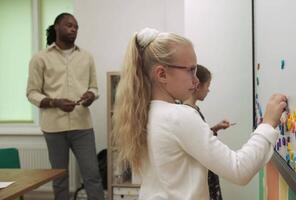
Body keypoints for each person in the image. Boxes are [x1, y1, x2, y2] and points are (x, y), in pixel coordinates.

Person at [112, 27, 287, 200]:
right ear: (162, 74)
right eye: (190, 70)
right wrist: (268, 124)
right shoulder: (179, 116)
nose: (196, 80)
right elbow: (239, 170)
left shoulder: (144, 112)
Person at [26, 13, 105, 200]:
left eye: (76, 27)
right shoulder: (40, 59)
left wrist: (91, 95)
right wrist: (54, 102)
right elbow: (32, 92)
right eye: (69, 25)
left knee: (92, 176)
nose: (73, 29)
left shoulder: (87, 57)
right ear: (57, 27)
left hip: (82, 126)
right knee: (59, 179)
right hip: (54, 128)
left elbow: (94, 87)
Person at [184, 64, 230, 200]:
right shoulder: (188, 114)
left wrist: (215, 128)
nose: (208, 90)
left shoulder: (194, 110)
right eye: (207, 85)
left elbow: (197, 139)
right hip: (202, 179)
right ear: (197, 85)